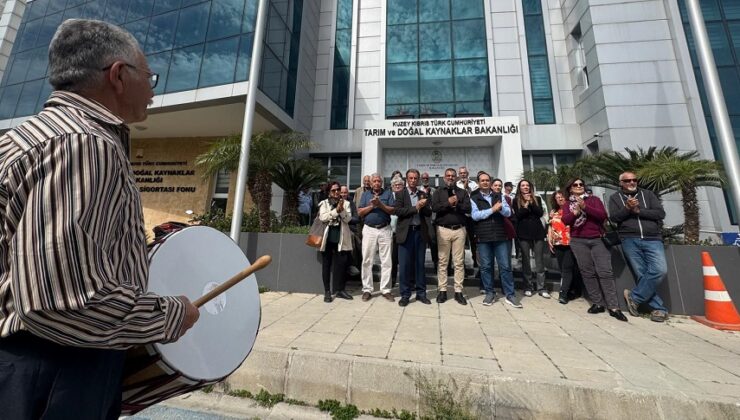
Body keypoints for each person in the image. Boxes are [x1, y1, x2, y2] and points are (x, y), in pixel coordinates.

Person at [0, 19, 199, 418]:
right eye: (151, 77)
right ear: (119, 76)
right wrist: (173, 314)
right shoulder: (84, 144)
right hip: (56, 368)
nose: (155, 93)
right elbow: (58, 302)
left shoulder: (26, 137)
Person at [562, 178, 628, 322]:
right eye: (576, 185)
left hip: (597, 239)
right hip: (579, 241)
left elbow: (602, 216)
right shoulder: (568, 204)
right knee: (587, 272)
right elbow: (565, 220)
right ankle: (597, 303)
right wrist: (576, 212)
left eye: (581, 184)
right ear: (570, 189)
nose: (579, 186)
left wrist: (585, 207)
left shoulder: (594, 200)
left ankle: (613, 306)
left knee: (605, 272)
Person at [608, 172, 669, 322]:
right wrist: (627, 209)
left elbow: (660, 213)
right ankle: (658, 309)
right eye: (627, 180)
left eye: (634, 180)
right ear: (621, 183)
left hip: (652, 238)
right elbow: (614, 218)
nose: (631, 182)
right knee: (641, 274)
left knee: (660, 270)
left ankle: (634, 297)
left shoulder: (648, 195)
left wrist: (639, 211)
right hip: (629, 238)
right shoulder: (615, 198)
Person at [471, 173, 521, 308]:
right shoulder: (474, 197)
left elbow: (508, 212)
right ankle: (489, 293)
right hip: (484, 236)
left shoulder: (499, 196)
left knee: (505, 266)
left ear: (490, 182)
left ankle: (510, 294)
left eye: (487, 180)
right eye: (483, 181)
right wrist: (492, 209)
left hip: (501, 236)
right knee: (486, 267)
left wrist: (500, 209)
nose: (485, 182)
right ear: (478, 182)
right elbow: (475, 216)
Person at [432, 168, 471, 305]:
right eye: (448, 176)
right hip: (443, 230)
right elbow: (434, 208)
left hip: (459, 230)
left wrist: (457, 203)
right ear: (444, 177)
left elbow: (468, 208)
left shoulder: (462, 192)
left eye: (452, 176)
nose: (450, 178)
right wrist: (448, 203)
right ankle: (442, 290)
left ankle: (458, 291)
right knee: (443, 261)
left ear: (456, 178)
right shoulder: (438, 192)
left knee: (459, 262)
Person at [394, 169, 433, 306]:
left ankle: (421, 293)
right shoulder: (400, 194)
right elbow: (398, 211)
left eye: (415, 178)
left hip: (419, 233)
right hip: (406, 233)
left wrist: (425, 204)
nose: (413, 180)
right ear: (406, 179)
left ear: (418, 180)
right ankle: (405, 294)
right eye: (410, 178)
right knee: (404, 265)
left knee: (420, 264)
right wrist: (415, 207)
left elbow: (428, 213)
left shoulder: (422, 194)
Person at [358, 173, 396, 301]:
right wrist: (372, 206)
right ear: (371, 182)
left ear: (381, 183)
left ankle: (385, 290)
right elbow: (359, 212)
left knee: (386, 261)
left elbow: (392, 210)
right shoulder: (365, 194)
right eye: (374, 181)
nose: (376, 183)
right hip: (369, 230)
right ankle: (367, 289)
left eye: (379, 181)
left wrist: (380, 205)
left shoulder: (388, 193)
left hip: (385, 229)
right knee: (367, 261)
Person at [512, 179, 549, 298]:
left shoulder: (537, 198)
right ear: (519, 188)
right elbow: (518, 215)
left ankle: (542, 287)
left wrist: (532, 202)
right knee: (526, 261)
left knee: (539, 261)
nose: (525, 187)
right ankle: (528, 286)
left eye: (527, 185)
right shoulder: (515, 200)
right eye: (523, 185)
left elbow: (539, 213)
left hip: (537, 232)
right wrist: (526, 204)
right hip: (523, 233)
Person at [318, 182, 354, 302]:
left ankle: (340, 290)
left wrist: (341, 209)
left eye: (338, 189)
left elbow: (348, 219)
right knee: (326, 265)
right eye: (333, 190)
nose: (337, 192)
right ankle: (327, 291)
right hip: (328, 238)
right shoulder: (324, 203)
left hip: (341, 239)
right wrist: (335, 212)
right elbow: (323, 217)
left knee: (342, 265)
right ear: (329, 192)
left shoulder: (347, 203)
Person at [548, 191, 583, 305]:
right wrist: (549, 239)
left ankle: (563, 294)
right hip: (558, 243)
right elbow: (550, 225)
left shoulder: (571, 209)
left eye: (561, 196)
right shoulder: (554, 212)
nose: (560, 199)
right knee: (563, 269)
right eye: (557, 198)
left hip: (569, 243)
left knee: (567, 268)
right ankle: (570, 291)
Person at [456, 166, 479, 271]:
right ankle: (462, 264)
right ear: (458, 174)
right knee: (462, 242)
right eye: (461, 173)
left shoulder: (474, 184)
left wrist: (467, 188)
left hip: (473, 217)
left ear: (467, 173)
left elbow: (476, 198)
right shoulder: (456, 185)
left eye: (464, 173)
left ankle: (476, 261)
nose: (463, 175)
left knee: (474, 241)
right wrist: (464, 188)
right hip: (462, 217)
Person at [340, 185, 361, 277]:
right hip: (338, 228)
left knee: (357, 242)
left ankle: (353, 265)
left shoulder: (351, 203)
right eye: (342, 192)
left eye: (345, 193)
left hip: (350, 228)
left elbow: (356, 219)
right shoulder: (335, 202)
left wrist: (347, 219)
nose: (343, 194)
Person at [389, 175, 405, 288]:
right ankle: (392, 281)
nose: (397, 187)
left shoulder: (406, 196)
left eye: (400, 185)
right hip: (391, 232)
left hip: (404, 232)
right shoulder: (389, 197)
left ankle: (407, 282)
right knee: (392, 260)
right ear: (392, 187)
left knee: (405, 259)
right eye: (395, 185)